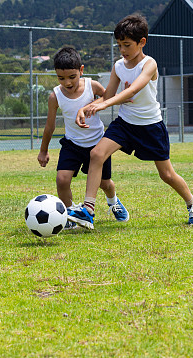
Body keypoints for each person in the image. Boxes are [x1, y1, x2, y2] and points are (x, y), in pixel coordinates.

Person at [66, 14, 193, 229]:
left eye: (127, 45)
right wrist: (85, 108)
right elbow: (107, 95)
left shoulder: (149, 64)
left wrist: (104, 105)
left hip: (151, 127)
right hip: (125, 124)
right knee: (96, 154)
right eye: (119, 45)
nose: (122, 50)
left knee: (167, 175)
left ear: (142, 42)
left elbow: (133, 89)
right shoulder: (118, 66)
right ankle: (88, 209)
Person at [37, 47, 129, 229]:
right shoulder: (55, 96)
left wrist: (95, 105)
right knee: (62, 180)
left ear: (81, 70)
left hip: (97, 145)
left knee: (104, 183)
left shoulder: (91, 86)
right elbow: (49, 126)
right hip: (72, 144)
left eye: (72, 77)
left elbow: (107, 97)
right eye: (61, 78)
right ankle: (70, 215)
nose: (67, 82)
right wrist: (43, 150)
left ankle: (113, 202)